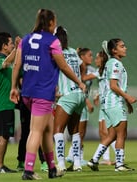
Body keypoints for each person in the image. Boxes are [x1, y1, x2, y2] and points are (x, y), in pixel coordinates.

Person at [10, 9, 85, 180]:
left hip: (28, 92)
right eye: (54, 22)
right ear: (50, 23)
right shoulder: (53, 41)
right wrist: (79, 82)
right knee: (36, 131)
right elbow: (64, 66)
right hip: (42, 93)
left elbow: (16, 65)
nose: (55, 25)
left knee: (47, 130)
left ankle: (52, 168)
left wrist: (14, 87)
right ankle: (28, 170)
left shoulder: (26, 39)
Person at [87, 39, 137, 172]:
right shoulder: (115, 63)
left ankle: (94, 160)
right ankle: (119, 164)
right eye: (122, 46)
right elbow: (113, 86)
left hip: (108, 104)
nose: (125, 48)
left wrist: (127, 103)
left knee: (112, 135)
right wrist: (128, 97)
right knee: (122, 134)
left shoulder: (110, 63)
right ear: (114, 50)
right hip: (114, 103)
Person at [53, 26, 86, 172]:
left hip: (67, 95)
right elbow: (82, 67)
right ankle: (77, 163)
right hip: (80, 95)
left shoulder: (55, 52)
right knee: (75, 130)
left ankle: (60, 163)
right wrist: (79, 80)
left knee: (58, 130)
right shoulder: (73, 52)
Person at [0, 32, 20, 173]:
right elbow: (6, 63)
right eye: (10, 43)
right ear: (4, 46)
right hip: (4, 103)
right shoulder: (0, 61)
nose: (12, 45)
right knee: (5, 135)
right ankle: (0, 166)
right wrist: (17, 49)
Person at [82, 51, 116, 165]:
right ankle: (106, 159)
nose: (95, 60)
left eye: (97, 58)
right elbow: (104, 86)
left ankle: (119, 156)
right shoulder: (100, 71)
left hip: (108, 104)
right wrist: (97, 95)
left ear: (103, 60)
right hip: (104, 104)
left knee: (108, 132)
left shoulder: (104, 71)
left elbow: (84, 78)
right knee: (102, 132)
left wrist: (80, 64)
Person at [66, 47, 95, 167]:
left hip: (83, 102)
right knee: (78, 131)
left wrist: (96, 95)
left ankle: (72, 155)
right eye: (89, 55)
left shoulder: (91, 70)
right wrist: (88, 102)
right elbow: (81, 81)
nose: (91, 58)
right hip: (78, 101)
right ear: (81, 57)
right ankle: (75, 156)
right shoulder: (77, 69)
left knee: (81, 132)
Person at [16, 91, 48, 172]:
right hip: (26, 101)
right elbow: (21, 82)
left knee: (39, 132)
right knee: (26, 134)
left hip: (37, 101)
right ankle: (21, 161)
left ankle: (44, 161)